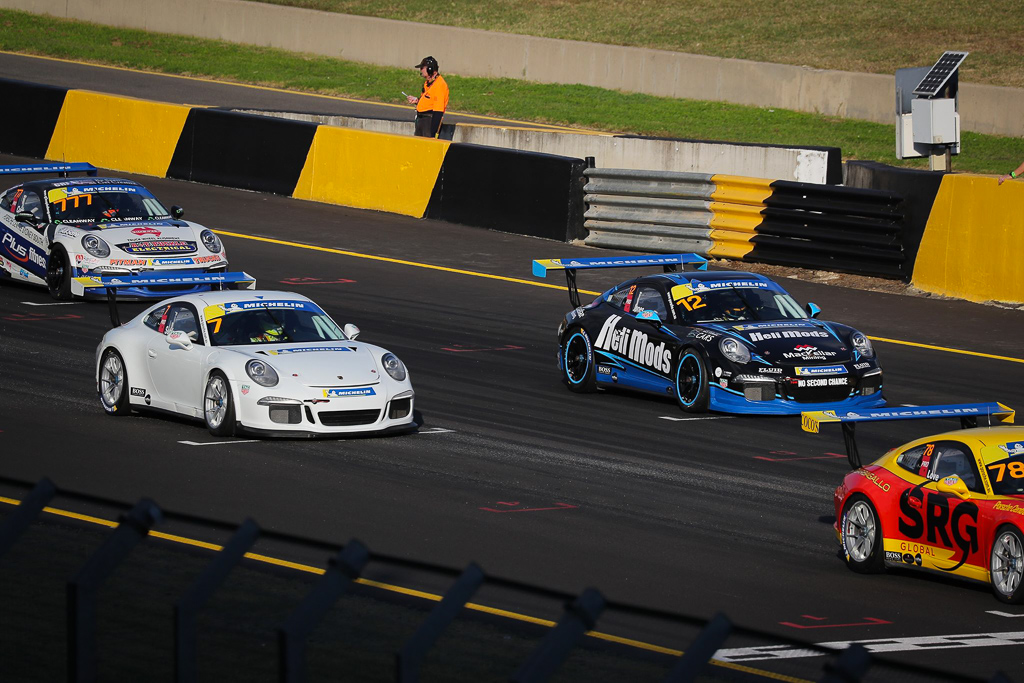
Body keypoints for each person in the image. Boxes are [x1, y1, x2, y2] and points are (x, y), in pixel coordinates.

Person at [407, 56, 449, 138]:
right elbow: (428, 100)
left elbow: (438, 112)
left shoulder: (439, 85)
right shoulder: (428, 83)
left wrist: (433, 135)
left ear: (430, 69)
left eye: (422, 68)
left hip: (429, 122)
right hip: (421, 121)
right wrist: (417, 101)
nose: (421, 70)